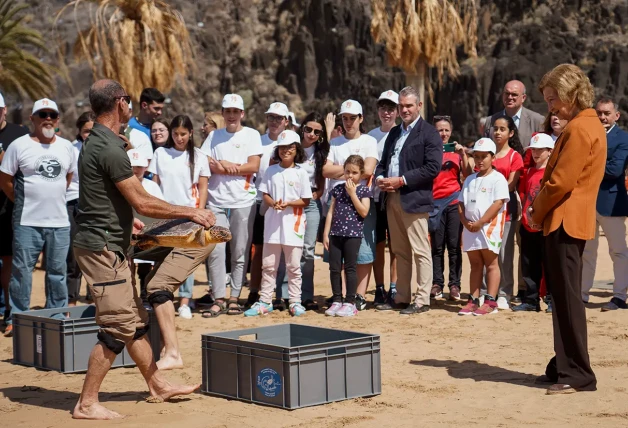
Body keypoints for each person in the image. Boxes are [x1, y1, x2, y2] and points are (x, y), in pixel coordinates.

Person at [71, 79, 214, 419]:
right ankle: (86, 403)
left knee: (135, 320)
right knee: (118, 327)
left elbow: (108, 198)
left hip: (110, 242)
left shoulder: (102, 142)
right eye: (129, 101)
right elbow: (141, 200)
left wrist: (126, 221)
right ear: (120, 103)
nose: (131, 106)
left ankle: (158, 385)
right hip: (102, 248)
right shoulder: (107, 147)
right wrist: (190, 211)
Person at [528, 64, 604, 394]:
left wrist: (535, 210)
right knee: (562, 297)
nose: (551, 107)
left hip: (563, 221)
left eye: (552, 99)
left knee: (567, 299)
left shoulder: (579, 129)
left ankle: (578, 373)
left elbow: (559, 183)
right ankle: (563, 365)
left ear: (569, 95)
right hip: (569, 220)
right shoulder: (587, 125)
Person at [0, 99, 75, 337]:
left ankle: (55, 316)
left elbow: (68, 178)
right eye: (42, 114)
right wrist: (23, 202)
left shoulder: (66, 147)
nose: (47, 118)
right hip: (27, 222)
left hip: (59, 223)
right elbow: (5, 181)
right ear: (32, 119)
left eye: (52, 114)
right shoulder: (18, 145)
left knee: (57, 272)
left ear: (57, 119)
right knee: (22, 271)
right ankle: (18, 318)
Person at [374, 86, 442, 315]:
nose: (404, 110)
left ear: (419, 106)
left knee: (420, 251)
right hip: (391, 198)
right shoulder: (394, 133)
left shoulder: (429, 133)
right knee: (400, 251)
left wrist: (402, 180)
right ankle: (402, 297)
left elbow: (433, 168)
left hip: (414, 199)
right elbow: (383, 162)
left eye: (408, 105)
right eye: (401, 106)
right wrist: (381, 178)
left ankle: (422, 300)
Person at [200, 93, 262, 317]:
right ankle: (218, 298)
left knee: (240, 251)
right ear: (223, 113)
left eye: (236, 111)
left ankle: (234, 297)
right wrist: (226, 165)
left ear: (242, 113)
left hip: (243, 201)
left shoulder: (252, 135)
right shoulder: (214, 136)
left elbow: (253, 166)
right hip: (216, 201)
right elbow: (207, 163)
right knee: (216, 252)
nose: (232, 115)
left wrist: (226, 165)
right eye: (228, 111)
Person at [148, 115, 210, 319]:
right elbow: (155, 184)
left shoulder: (199, 156)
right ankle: (160, 299)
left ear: (191, 133)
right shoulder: (161, 153)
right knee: (162, 258)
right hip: (164, 214)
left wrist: (198, 213)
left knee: (185, 260)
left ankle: (184, 302)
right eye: (175, 133)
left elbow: (202, 187)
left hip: (189, 215)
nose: (179, 138)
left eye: (183, 134)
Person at [244, 130, 312, 317]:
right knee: (269, 265)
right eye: (282, 147)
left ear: (297, 149)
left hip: (294, 224)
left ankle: (295, 301)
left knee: (293, 266)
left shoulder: (301, 173)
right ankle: (265, 301)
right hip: (273, 224)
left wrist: (288, 203)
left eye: (290, 147)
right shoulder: (271, 170)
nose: (286, 151)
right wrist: (272, 202)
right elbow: (264, 193)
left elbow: (306, 200)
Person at [323, 100, 379, 311]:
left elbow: (368, 170)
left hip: (360, 197)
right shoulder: (336, 142)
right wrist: (351, 171)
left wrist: (346, 172)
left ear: (361, 118)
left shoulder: (369, 141)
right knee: (338, 253)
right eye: (344, 118)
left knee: (361, 251)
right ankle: (342, 297)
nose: (348, 122)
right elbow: (325, 171)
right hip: (338, 198)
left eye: (352, 118)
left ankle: (358, 297)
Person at [581, 97, 628, 311]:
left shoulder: (623, 138)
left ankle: (619, 296)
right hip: (588, 203)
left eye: (607, 113)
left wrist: (586, 166)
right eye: (599, 113)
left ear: (616, 115)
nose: (602, 117)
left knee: (618, 251)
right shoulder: (587, 135)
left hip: (612, 202)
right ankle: (581, 295)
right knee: (587, 251)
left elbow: (614, 170)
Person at [458, 138, 510, 316]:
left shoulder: (498, 179)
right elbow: (460, 203)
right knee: (475, 263)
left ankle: (491, 300)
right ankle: (473, 299)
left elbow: (498, 203)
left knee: (491, 264)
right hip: (470, 228)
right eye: (476, 156)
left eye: (484, 156)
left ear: (492, 157)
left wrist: (481, 222)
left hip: (489, 228)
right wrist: (465, 222)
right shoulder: (470, 179)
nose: (480, 160)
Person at [246, 102, 290, 308]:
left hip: (286, 203)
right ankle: (255, 291)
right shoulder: (258, 142)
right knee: (259, 249)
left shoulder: (291, 143)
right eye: (271, 117)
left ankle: (282, 294)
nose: (274, 122)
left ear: (286, 121)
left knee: (284, 249)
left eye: (278, 118)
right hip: (260, 200)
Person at [323, 155, 372, 317]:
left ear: (362, 174)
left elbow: (364, 212)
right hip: (335, 234)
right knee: (334, 268)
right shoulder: (337, 189)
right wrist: (326, 233)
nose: (350, 175)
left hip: (353, 236)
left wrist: (352, 194)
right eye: (347, 171)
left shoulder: (364, 190)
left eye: (355, 172)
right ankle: (337, 299)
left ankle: (350, 302)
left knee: (350, 268)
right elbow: (331, 212)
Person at [512, 134, 554, 312]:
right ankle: (531, 299)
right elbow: (523, 195)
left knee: (550, 265)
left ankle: (552, 300)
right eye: (533, 150)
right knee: (529, 264)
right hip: (528, 225)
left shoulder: (552, 173)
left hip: (545, 226)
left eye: (540, 150)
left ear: (549, 151)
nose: (535, 153)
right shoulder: (529, 171)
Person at [486, 114, 524, 309]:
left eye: (502, 129)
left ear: (510, 133)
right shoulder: (485, 152)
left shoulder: (515, 157)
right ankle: (487, 291)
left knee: (504, 254)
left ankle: (505, 292)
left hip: (506, 211)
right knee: (487, 252)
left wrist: (490, 194)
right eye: (495, 128)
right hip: (485, 213)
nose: (497, 132)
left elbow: (511, 185)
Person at [429, 115, 469, 301]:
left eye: (446, 130)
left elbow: (468, 175)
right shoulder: (429, 150)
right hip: (434, 202)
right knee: (436, 247)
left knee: (453, 246)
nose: (443, 134)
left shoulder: (457, 152)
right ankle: (437, 284)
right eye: (439, 130)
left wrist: (462, 155)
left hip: (453, 201)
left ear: (451, 132)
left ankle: (455, 285)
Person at [367, 90, 399, 305]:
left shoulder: (402, 133)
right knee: (377, 244)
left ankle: (395, 288)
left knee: (396, 246)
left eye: (390, 109)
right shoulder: (370, 136)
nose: (386, 113)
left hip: (396, 197)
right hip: (375, 198)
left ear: (397, 111)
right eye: (383, 108)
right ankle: (379, 288)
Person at [0, 92, 29, 325]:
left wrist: (16, 199)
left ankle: (11, 314)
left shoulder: (19, 135)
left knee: (11, 263)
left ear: (5, 110)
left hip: (10, 209)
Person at [127, 149, 164, 304]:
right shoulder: (123, 185)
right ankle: (130, 298)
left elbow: (159, 207)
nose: (136, 170)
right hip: (129, 231)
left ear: (145, 167)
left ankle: (145, 297)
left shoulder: (152, 186)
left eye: (139, 167)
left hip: (148, 231)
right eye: (133, 167)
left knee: (146, 267)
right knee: (128, 267)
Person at [67, 111, 96, 306]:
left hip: (96, 205)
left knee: (94, 252)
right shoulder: (70, 148)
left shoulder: (103, 148)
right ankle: (71, 300)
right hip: (73, 202)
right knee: (73, 255)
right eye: (86, 131)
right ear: (79, 131)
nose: (90, 135)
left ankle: (94, 296)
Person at [483, 80, 545, 148]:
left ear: (523, 98)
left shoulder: (537, 120)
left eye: (514, 94)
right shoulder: (490, 120)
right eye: (507, 93)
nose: (509, 97)